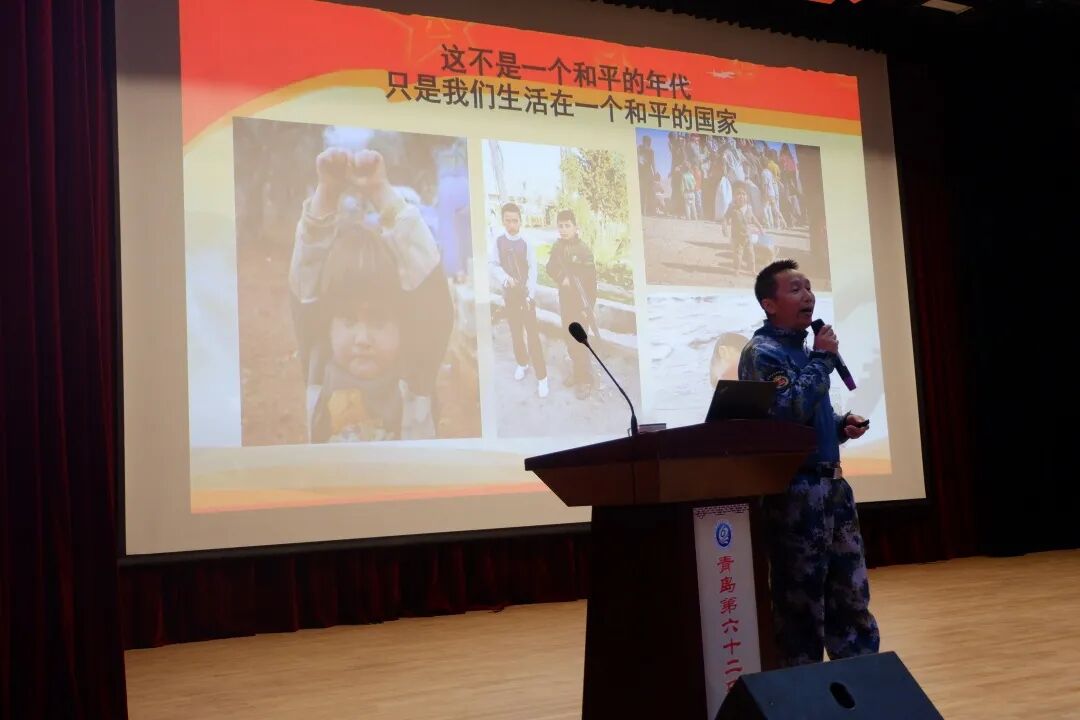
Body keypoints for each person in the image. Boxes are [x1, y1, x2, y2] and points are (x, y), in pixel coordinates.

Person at [737, 259, 879, 667]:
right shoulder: (762, 353)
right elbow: (786, 412)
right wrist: (822, 360)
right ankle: (802, 688)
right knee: (800, 602)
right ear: (769, 304)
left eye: (809, 287)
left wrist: (839, 426)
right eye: (795, 289)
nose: (808, 296)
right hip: (795, 495)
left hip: (833, 488)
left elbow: (809, 415)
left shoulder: (805, 351)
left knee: (850, 594)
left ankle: (862, 679)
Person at [289, 147, 453, 442]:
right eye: (348, 320)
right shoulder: (319, 364)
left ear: (403, 325)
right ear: (327, 325)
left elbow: (428, 281)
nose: (362, 339)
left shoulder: (416, 373)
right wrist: (327, 193)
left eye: (378, 321)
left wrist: (379, 190)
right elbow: (307, 278)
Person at [489, 202, 549, 398]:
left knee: (532, 336)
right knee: (515, 333)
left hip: (526, 296)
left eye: (515, 221)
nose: (511, 225)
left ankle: (542, 377)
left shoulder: (526, 242)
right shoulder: (498, 241)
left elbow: (533, 270)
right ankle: (522, 363)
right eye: (508, 220)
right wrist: (506, 279)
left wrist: (530, 294)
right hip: (510, 295)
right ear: (503, 220)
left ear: (520, 221)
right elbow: (493, 264)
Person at [546, 209, 598, 400]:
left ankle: (585, 380)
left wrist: (588, 308)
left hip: (581, 304)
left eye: (568, 226)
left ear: (576, 227)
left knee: (581, 342)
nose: (564, 229)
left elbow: (592, 283)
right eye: (560, 226)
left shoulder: (584, 251)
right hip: (566, 302)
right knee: (569, 339)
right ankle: (577, 374)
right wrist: (562, 278)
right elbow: (550, 267)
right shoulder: (557, 247)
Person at [724, 182, 765, 276]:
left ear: (747, 197)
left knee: (751, 254)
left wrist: (760, 227)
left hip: (747, 236)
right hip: (737, 237)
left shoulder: (748, 208)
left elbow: (753, 218)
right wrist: (724, 227)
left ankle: (752, 270)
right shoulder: (732, 208)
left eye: (743, 194)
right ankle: (737, 269)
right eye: (738, 194)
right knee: (738, 254)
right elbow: (725, 218)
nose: (741, 196)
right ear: (734, 197)